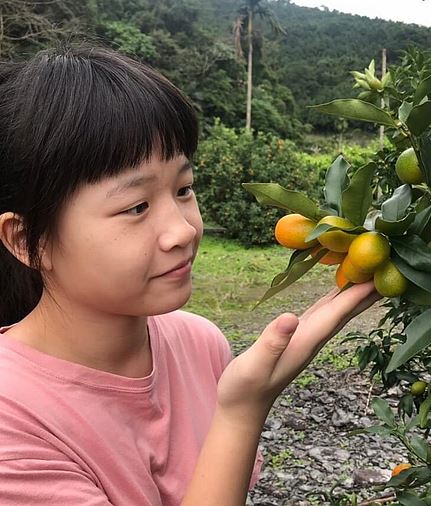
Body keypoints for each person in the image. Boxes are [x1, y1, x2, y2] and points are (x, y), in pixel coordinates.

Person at [0, 45, 379, 505]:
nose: (182, 230)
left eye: (184, 189)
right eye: (135, 206)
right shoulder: (11, 417)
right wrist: (242, 412)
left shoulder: (199, 342)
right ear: (27, 241)